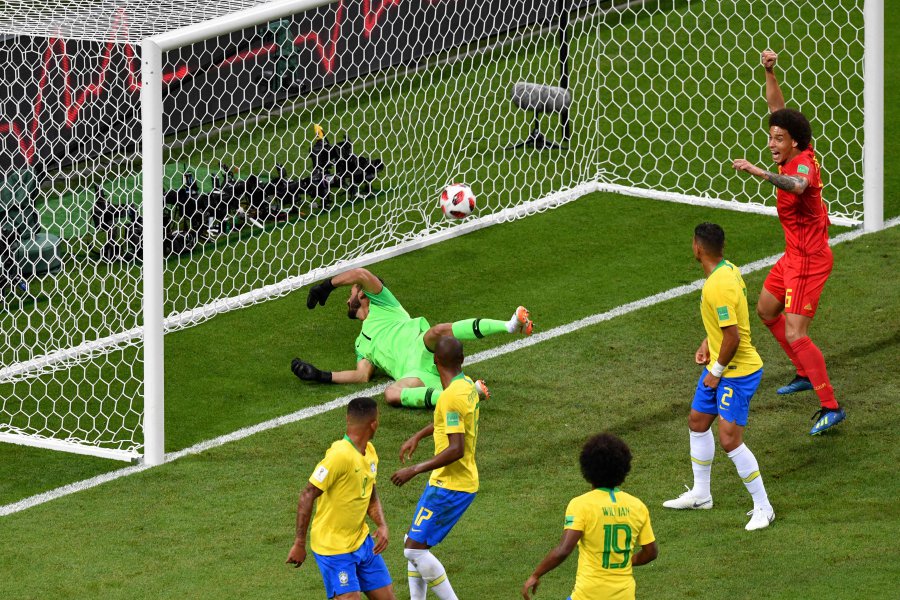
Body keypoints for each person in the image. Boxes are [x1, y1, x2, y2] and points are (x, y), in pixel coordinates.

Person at [732, 49, 846, 436]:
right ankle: (802, 371)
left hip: (811, 259)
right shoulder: (793, 147)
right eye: (770, 138)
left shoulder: (801, 167)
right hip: (793, 255)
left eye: (778, 139)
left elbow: (797, 187)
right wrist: (770, 73)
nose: (771, 142)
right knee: (766, 310)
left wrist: (759, 172)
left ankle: (830, 405)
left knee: (797, 332)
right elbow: (778, 112)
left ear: (795, 143)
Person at [662, 223, 774, 531]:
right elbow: (726, 326)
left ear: (697, 247)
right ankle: (701, 494)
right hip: (722, 362)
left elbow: (734, 337)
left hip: (737, 373)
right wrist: (707, 342)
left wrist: (715, 372)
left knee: (729, 439)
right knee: (697, 421)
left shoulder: (717, 286)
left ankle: (763, 506)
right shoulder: (728, 270)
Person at [292, 267, 533, 408]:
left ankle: (509, 326)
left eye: (350, 292)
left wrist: (326, 285)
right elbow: (361, 375)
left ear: (363, 293)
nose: (347, 299)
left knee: (436, 331)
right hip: (412, 374)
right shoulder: (360, 343)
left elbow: (361, 273)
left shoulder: (384, 304)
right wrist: (321, 376)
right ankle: (466, 393)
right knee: (391, 394)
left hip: (423, 349)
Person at [389, 336, 480, 600]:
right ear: (462, 360)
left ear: (435, 361)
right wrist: (419, 435)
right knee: (413, 544)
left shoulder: (451, 396)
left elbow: (456, 448)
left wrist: (414, 470)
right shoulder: (466, 386)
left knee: (414, 551)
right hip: (451, 481)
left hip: (452, 485)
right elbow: (450, 421)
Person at [521, 433, 657, 600]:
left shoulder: (581, 505)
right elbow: (650, 553)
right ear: (624, 468)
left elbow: (563, 550)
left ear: (587, 468)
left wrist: (536, 574)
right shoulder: (637, 506)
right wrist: (629, 560)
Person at [286, 397, 396, 600]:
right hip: (334, 549)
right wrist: (299, 542)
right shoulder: (339, 456)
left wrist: (382, 524)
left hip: (362, 542)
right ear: (373, 424)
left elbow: (370, 492)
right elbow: (307, 494)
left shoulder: (370, 452)